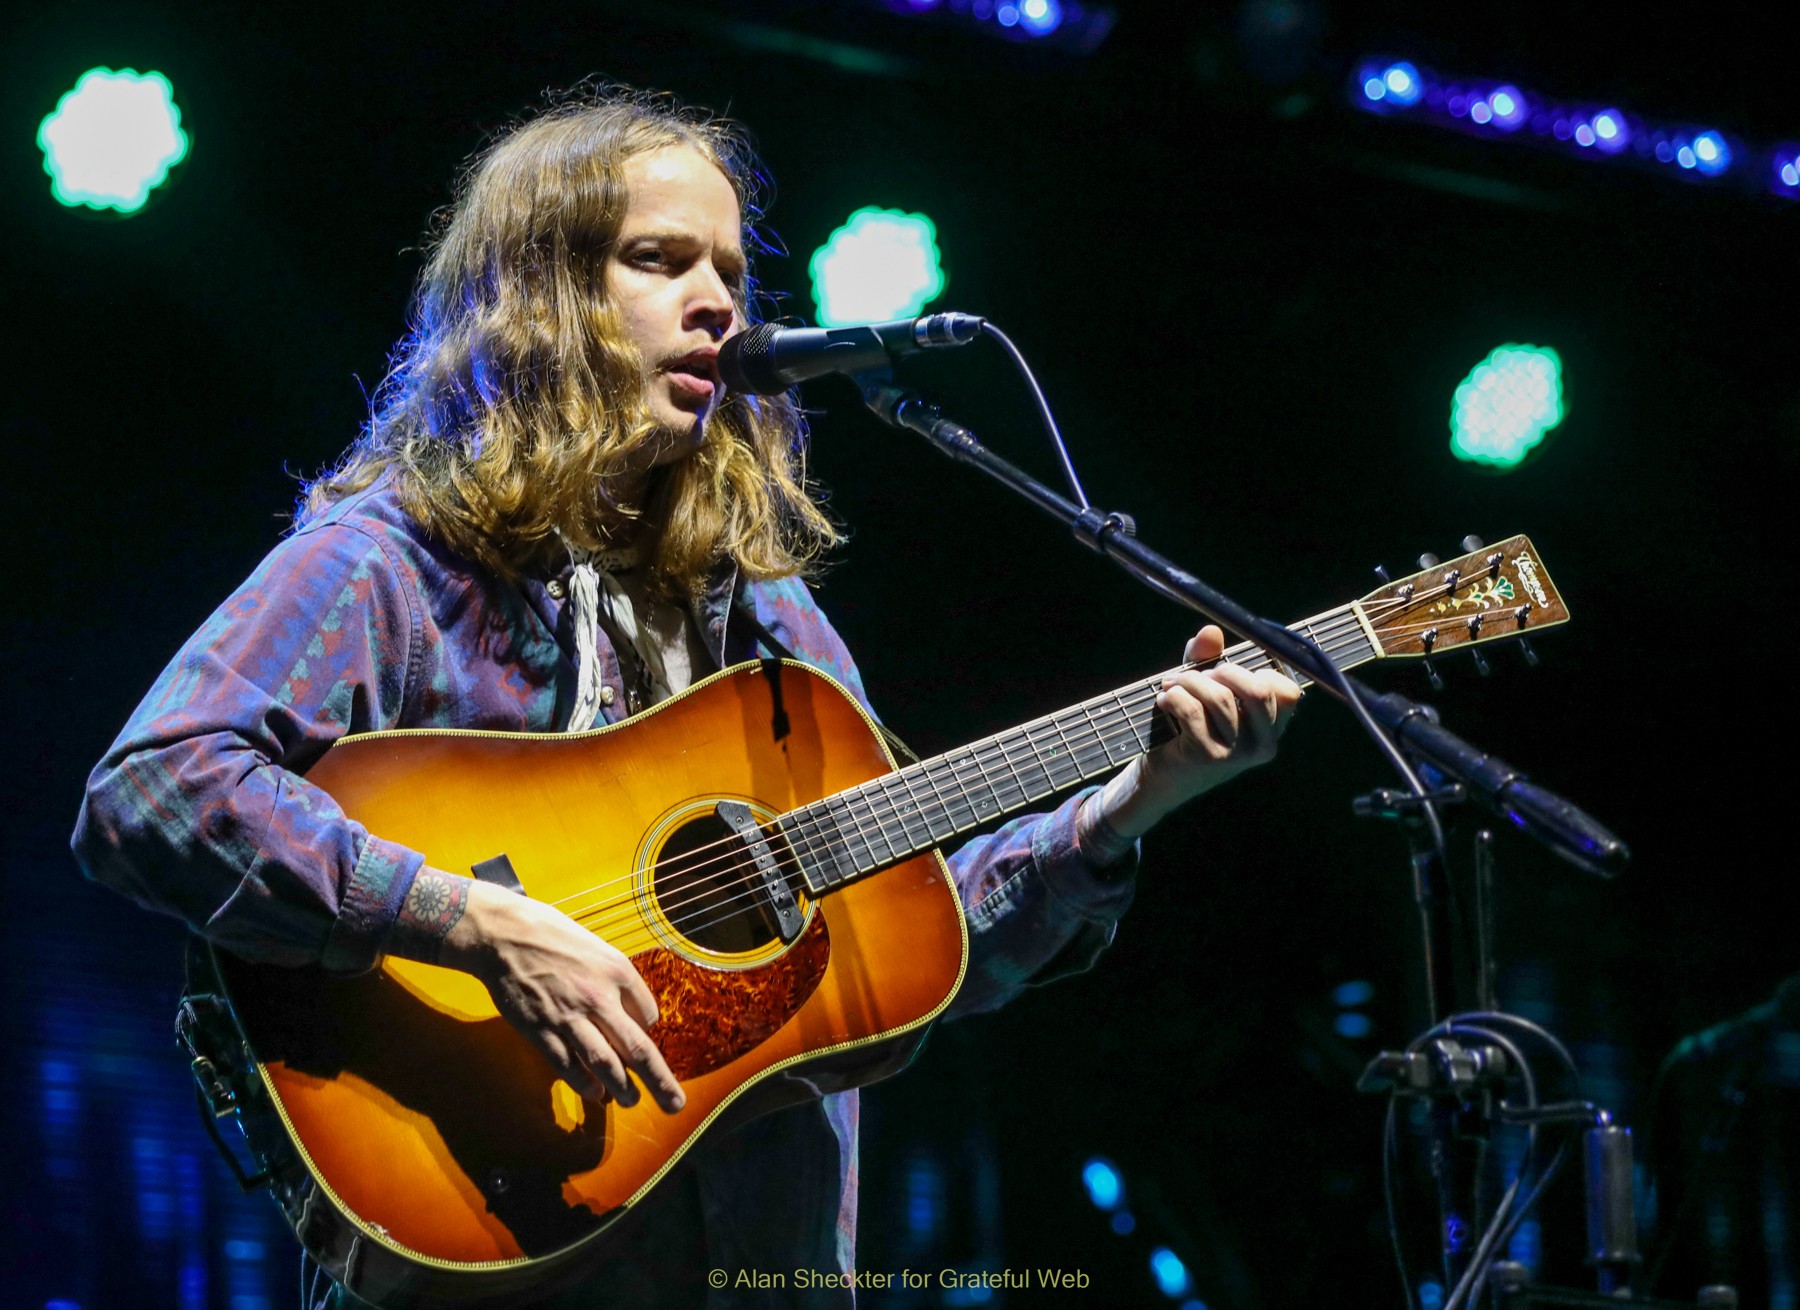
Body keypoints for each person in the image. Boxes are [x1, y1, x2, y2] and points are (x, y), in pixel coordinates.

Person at [71, 87, 1301, 1307]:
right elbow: (152, 790)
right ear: (540, 299)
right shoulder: (393, 561)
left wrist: (1135, 799)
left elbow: (903, 955)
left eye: (727, 267)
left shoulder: (776, 631)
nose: (717, 300)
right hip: (490, 1254)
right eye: (658, 261)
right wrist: (472, 923)